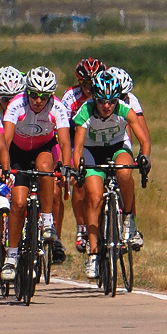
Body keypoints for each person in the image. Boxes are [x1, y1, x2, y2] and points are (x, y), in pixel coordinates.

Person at [71, 70, 151, 279]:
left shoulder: (125, 109)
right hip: (91, 151)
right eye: (102, 102)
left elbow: (144, 140)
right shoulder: (85, 111)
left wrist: (144, 157)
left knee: (125, 172)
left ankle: (129, 218)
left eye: (111, 101)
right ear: (95, 98)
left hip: (117, 147)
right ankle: (94, 254)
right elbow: (78, 147)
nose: (107, 106)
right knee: (94, 197)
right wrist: (78, 166)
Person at [0, 65, 72, 280]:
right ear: (27, 92)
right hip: (18, 153)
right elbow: (5, 140)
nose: (38, 100)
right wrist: (4, 168)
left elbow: (65, 142)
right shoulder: (16, 105)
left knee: (45, 168)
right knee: (19, 203)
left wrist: (66, 166)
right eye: (34, 95)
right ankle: (11, 257)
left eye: (43, 96)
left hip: (43, 148)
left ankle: (48, 221)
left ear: (50, 95)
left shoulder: (57, 107)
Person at [62, 57, 105, 254]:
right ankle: (81, 228)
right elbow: (62, 125)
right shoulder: (71, 96)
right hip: (75, 139)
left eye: (92, 84)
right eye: (85, 84)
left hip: (99, 140)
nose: (89, 88)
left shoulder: (105, 93)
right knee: (78, 180)